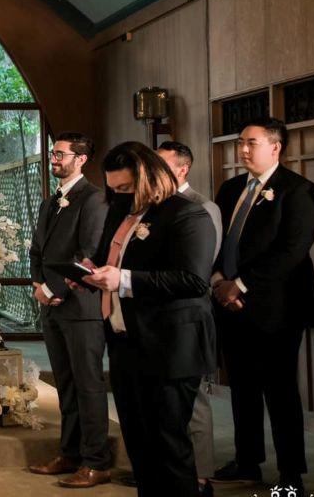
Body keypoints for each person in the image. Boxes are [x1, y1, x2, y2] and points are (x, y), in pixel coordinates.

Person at [83, 141, 216, 497]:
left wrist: (123, 279)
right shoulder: (121, 211)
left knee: (169, 445)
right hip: (126, 341)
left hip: (170, 345)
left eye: (126, 187)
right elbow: (108, 259)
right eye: (114, 188)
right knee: (139, 445)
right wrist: (90, 271)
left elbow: (193, 280)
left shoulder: (187, 214)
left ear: (148, 177)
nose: (119, 195)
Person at [209, 118, 314, 494]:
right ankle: (247, 461)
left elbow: (292, 250)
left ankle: (291, 474)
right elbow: (217, 241)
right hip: (229, 303)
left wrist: (239, 285)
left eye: (251, 143)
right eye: (240, 142)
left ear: (275, 147)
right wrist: (219, 282)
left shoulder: (297, 190)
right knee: (242, 387)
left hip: (277, 307)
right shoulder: (231, 189)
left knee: (280, 391)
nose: (242, 149)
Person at [27, 132, 111, 488]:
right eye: (53, 153)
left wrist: (54, 289)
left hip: (81, 306)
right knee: (65, 384)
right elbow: (37, 250)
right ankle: (70, 453)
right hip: (52, 307)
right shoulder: (50, 202)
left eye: (61, 154)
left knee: (88, 385)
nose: (54, 159)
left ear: (82, 159)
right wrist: (38, 285)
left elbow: (89, 253)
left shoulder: (94, 199)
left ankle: (96, 461)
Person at [157, 141, 222, 497]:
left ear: (182, 169)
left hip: (188, 314)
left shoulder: (202, 207)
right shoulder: (154, 206)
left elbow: (201, 266)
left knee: (193, 400)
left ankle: (201, 475)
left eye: (162, 165)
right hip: (156, 316)